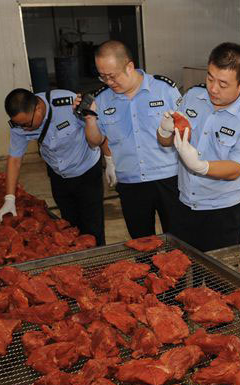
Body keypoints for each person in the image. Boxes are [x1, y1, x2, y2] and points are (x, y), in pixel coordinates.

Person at [157, 42, 240, 252]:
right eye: (210, 78)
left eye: (223, 84)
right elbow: (165, 143)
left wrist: (200, 166)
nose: (213, 89)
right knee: (180, 265)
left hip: (222, 211)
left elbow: (236, 169)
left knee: (218, 270)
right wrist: (164, 131)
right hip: (184, 202)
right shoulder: (192, 96)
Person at [83, 40, 181, 239]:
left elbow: (186, 130)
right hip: (130, 182)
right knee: (141, 242)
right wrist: (89, 118)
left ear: (129, 66)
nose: (108, 82)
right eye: (102, 76)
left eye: (112, 76)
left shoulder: (165, 90)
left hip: (168, 179)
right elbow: (95, 141)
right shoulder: (102, 99)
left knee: (178, 239)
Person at [0, 87, 106, 245]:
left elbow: (99, 131)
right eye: (20, 125)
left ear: (38, 108)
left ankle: (99, 258)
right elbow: (15, 159)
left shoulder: (69, 104)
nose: (24, 128)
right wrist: (9, 198)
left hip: (86, 172)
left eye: (27, 124)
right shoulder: (20, 123)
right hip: (58, 176)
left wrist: (109, 158)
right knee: (70, 228)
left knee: (93, 229)